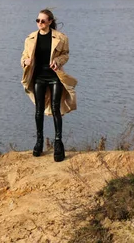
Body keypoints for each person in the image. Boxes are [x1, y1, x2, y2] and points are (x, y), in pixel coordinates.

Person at [21, 9, 77, 162]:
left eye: (43, 21)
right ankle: (39, 142)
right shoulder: (30, 38)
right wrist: (25, 62)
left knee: (55, 108)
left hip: (55, 77)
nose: (40, 23)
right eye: (38, 20)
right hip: (38, 77)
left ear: (50, 22)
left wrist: (57, 61)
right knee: (38, 110)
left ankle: (58, 143)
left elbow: (66, 54)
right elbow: (24, 56)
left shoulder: (61, 38)